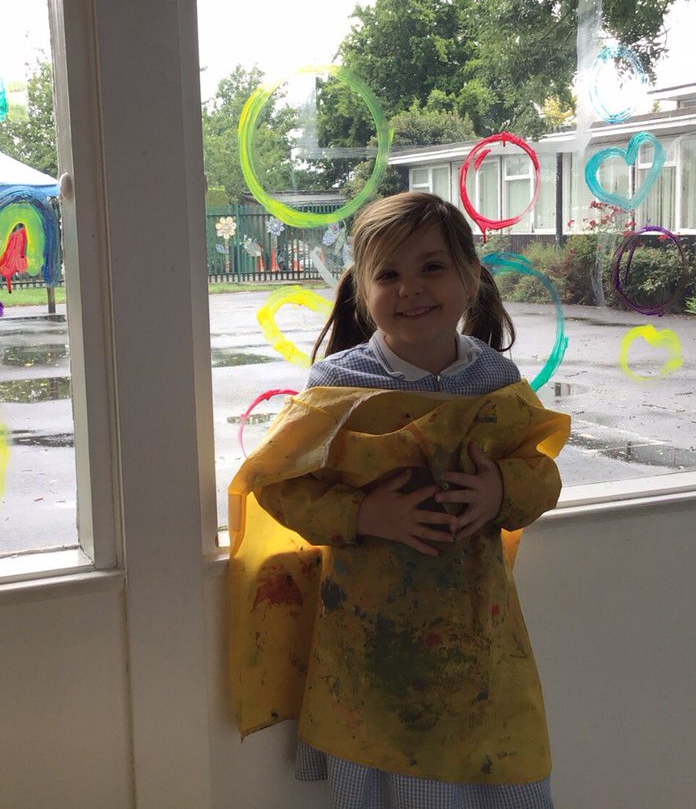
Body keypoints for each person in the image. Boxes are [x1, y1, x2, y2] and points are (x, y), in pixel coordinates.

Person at [227, 192, 570, 809]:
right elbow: (278, 484)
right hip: (373, 655)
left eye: (431, 267)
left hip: (483, 651)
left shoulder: (496, 380)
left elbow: (540, 473)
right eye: (388, 273)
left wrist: (502, 491)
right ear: (362, 289)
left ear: (469, 278)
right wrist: (363, 514)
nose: (411, 288)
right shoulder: (338, 384)